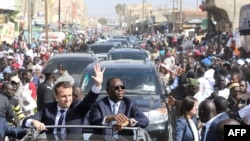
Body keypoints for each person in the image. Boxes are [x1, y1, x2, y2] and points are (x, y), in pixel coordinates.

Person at [21, 63, 105, 135]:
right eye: (63, 96)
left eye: (69, 95)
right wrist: (33, 122)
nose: (67, 99)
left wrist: (97, 85)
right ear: (56, 96)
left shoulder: (77, 107)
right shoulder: (48, 108)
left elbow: (89, 100)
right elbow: (25, 122)